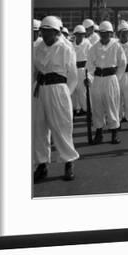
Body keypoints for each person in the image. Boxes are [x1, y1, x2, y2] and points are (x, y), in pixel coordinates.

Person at [33, 16, 79, 182]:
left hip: (58, 89)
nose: (45, 35)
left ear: (56, 32)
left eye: (48, 32)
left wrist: (66, 92)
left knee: (62, 126)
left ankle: (68, 162)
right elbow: (33, 71)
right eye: (43, 32)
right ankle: (41, 164)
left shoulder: (65, 48)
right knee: (38, 128)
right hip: (40, 89)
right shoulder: (36, 47)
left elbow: (73, 76)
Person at [86, 21, 127, 145]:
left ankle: (114, 133)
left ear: (111, 33)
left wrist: (116, 78)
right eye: (102, 33)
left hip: (110, 78)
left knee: (112, 105)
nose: (104, 36)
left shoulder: (116, 46)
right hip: (98, 79)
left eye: (107, 33)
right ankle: (99, 133)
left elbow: (122, 63)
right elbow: (89, 65)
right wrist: (89, 77)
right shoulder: (93, 47)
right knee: (97, 106)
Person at [71, 25, 92, 117]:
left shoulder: (88, 44)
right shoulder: (71, 44)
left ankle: (87, 109)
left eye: (82, 34)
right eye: (78, 34)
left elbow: (91, 58)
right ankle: (75, 108)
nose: (80, 36)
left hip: (84, 70)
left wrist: (89, 73)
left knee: (83, 91)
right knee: (74, 90)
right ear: (75, 34)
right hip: (74, 69)